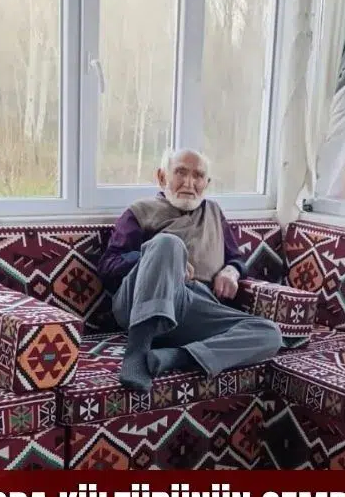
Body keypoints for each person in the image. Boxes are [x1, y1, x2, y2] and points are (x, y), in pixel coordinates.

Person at [96, 148, 283, 392]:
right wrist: (163, 260)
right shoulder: (140, 211)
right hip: (138, 304)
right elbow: (108, 266)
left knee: (269, 334)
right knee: (168, 243)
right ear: (162, 177)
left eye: (198, 176)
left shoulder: (214, 212)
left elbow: (236, 258)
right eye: (180, 173)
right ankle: (137, 353)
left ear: (207, 183)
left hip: (193, 307)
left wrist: (231, 271)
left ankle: (175, 357)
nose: (189, 183)